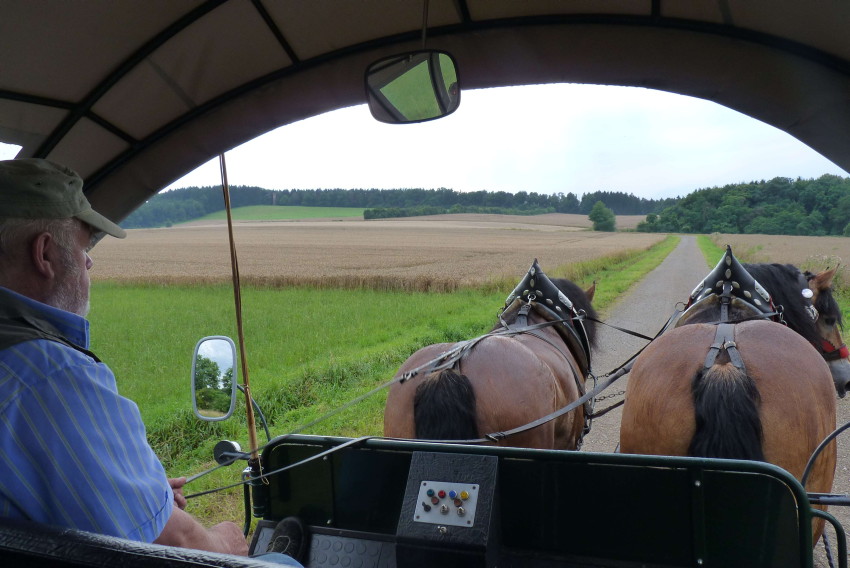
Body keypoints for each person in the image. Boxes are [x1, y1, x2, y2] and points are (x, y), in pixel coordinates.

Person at [0, 158, 252, 556]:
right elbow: (175, 546)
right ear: (44, 253)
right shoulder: (50, 375)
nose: (88, 261)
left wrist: (137, 494)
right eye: (83, 247)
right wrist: (228, 540)